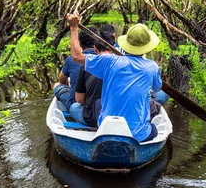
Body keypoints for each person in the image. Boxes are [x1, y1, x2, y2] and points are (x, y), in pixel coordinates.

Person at [67, 12, 162, 143]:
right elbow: (156, 89)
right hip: (137, 135)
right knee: (153, 125)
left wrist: (73, 28)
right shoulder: (152, 67)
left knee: (97, 104)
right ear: (146, 47)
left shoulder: (109, 62)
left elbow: (77, 56)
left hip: (106, 130)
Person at [100, 23, 168, 106]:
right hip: (140, 106)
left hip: (115, 102)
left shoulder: (111, 61)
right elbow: (156, 88)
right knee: (162, 95)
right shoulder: (152, 66)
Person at [68, 31, 116, 127]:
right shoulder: (124, 64)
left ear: (95, 49)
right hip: (119, 115)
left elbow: (80, 99)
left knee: (74, 107)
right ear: (114, 47)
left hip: (94, 118)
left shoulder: (86, 66)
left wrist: (73, 27)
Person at [53, 27, 97, 111]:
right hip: (95, 105)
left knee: (57, 85)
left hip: (79, 104)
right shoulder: (104, 60)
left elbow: (61, 80)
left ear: (79, 43)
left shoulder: (71, 60)